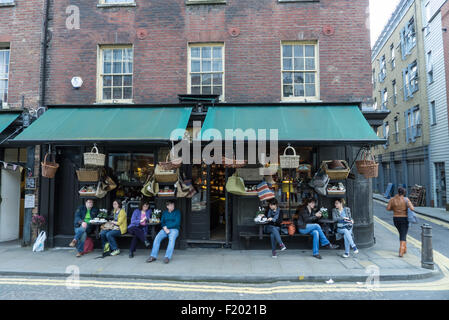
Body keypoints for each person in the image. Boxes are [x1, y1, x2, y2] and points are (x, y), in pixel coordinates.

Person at [386, 187, 415, 257]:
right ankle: (401, 250)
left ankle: (404, 248)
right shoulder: (406, 199)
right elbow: (412, 208)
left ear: (398, 192)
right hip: (404, 218)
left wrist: (395, 209)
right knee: (403, 234)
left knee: (401, 233)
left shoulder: (392, 199)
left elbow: (388, 208)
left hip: (395, 218)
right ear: (404, 193)